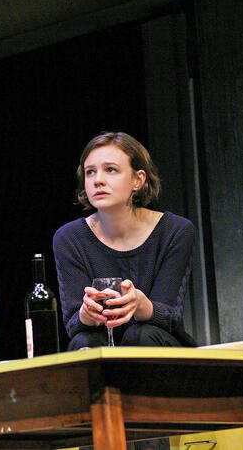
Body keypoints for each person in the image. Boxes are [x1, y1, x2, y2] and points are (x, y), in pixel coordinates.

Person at [53, 131, 196, 350]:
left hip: (156, 344)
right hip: (100, 340)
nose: (98, 180)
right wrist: (87, 313)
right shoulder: (69, 237)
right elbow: (73, 326)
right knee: (85, 341)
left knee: (141, 335)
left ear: (138, 180)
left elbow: (170, 317)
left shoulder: (175, 230)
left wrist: (140, 305)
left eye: (110, 170)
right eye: (90, 172)